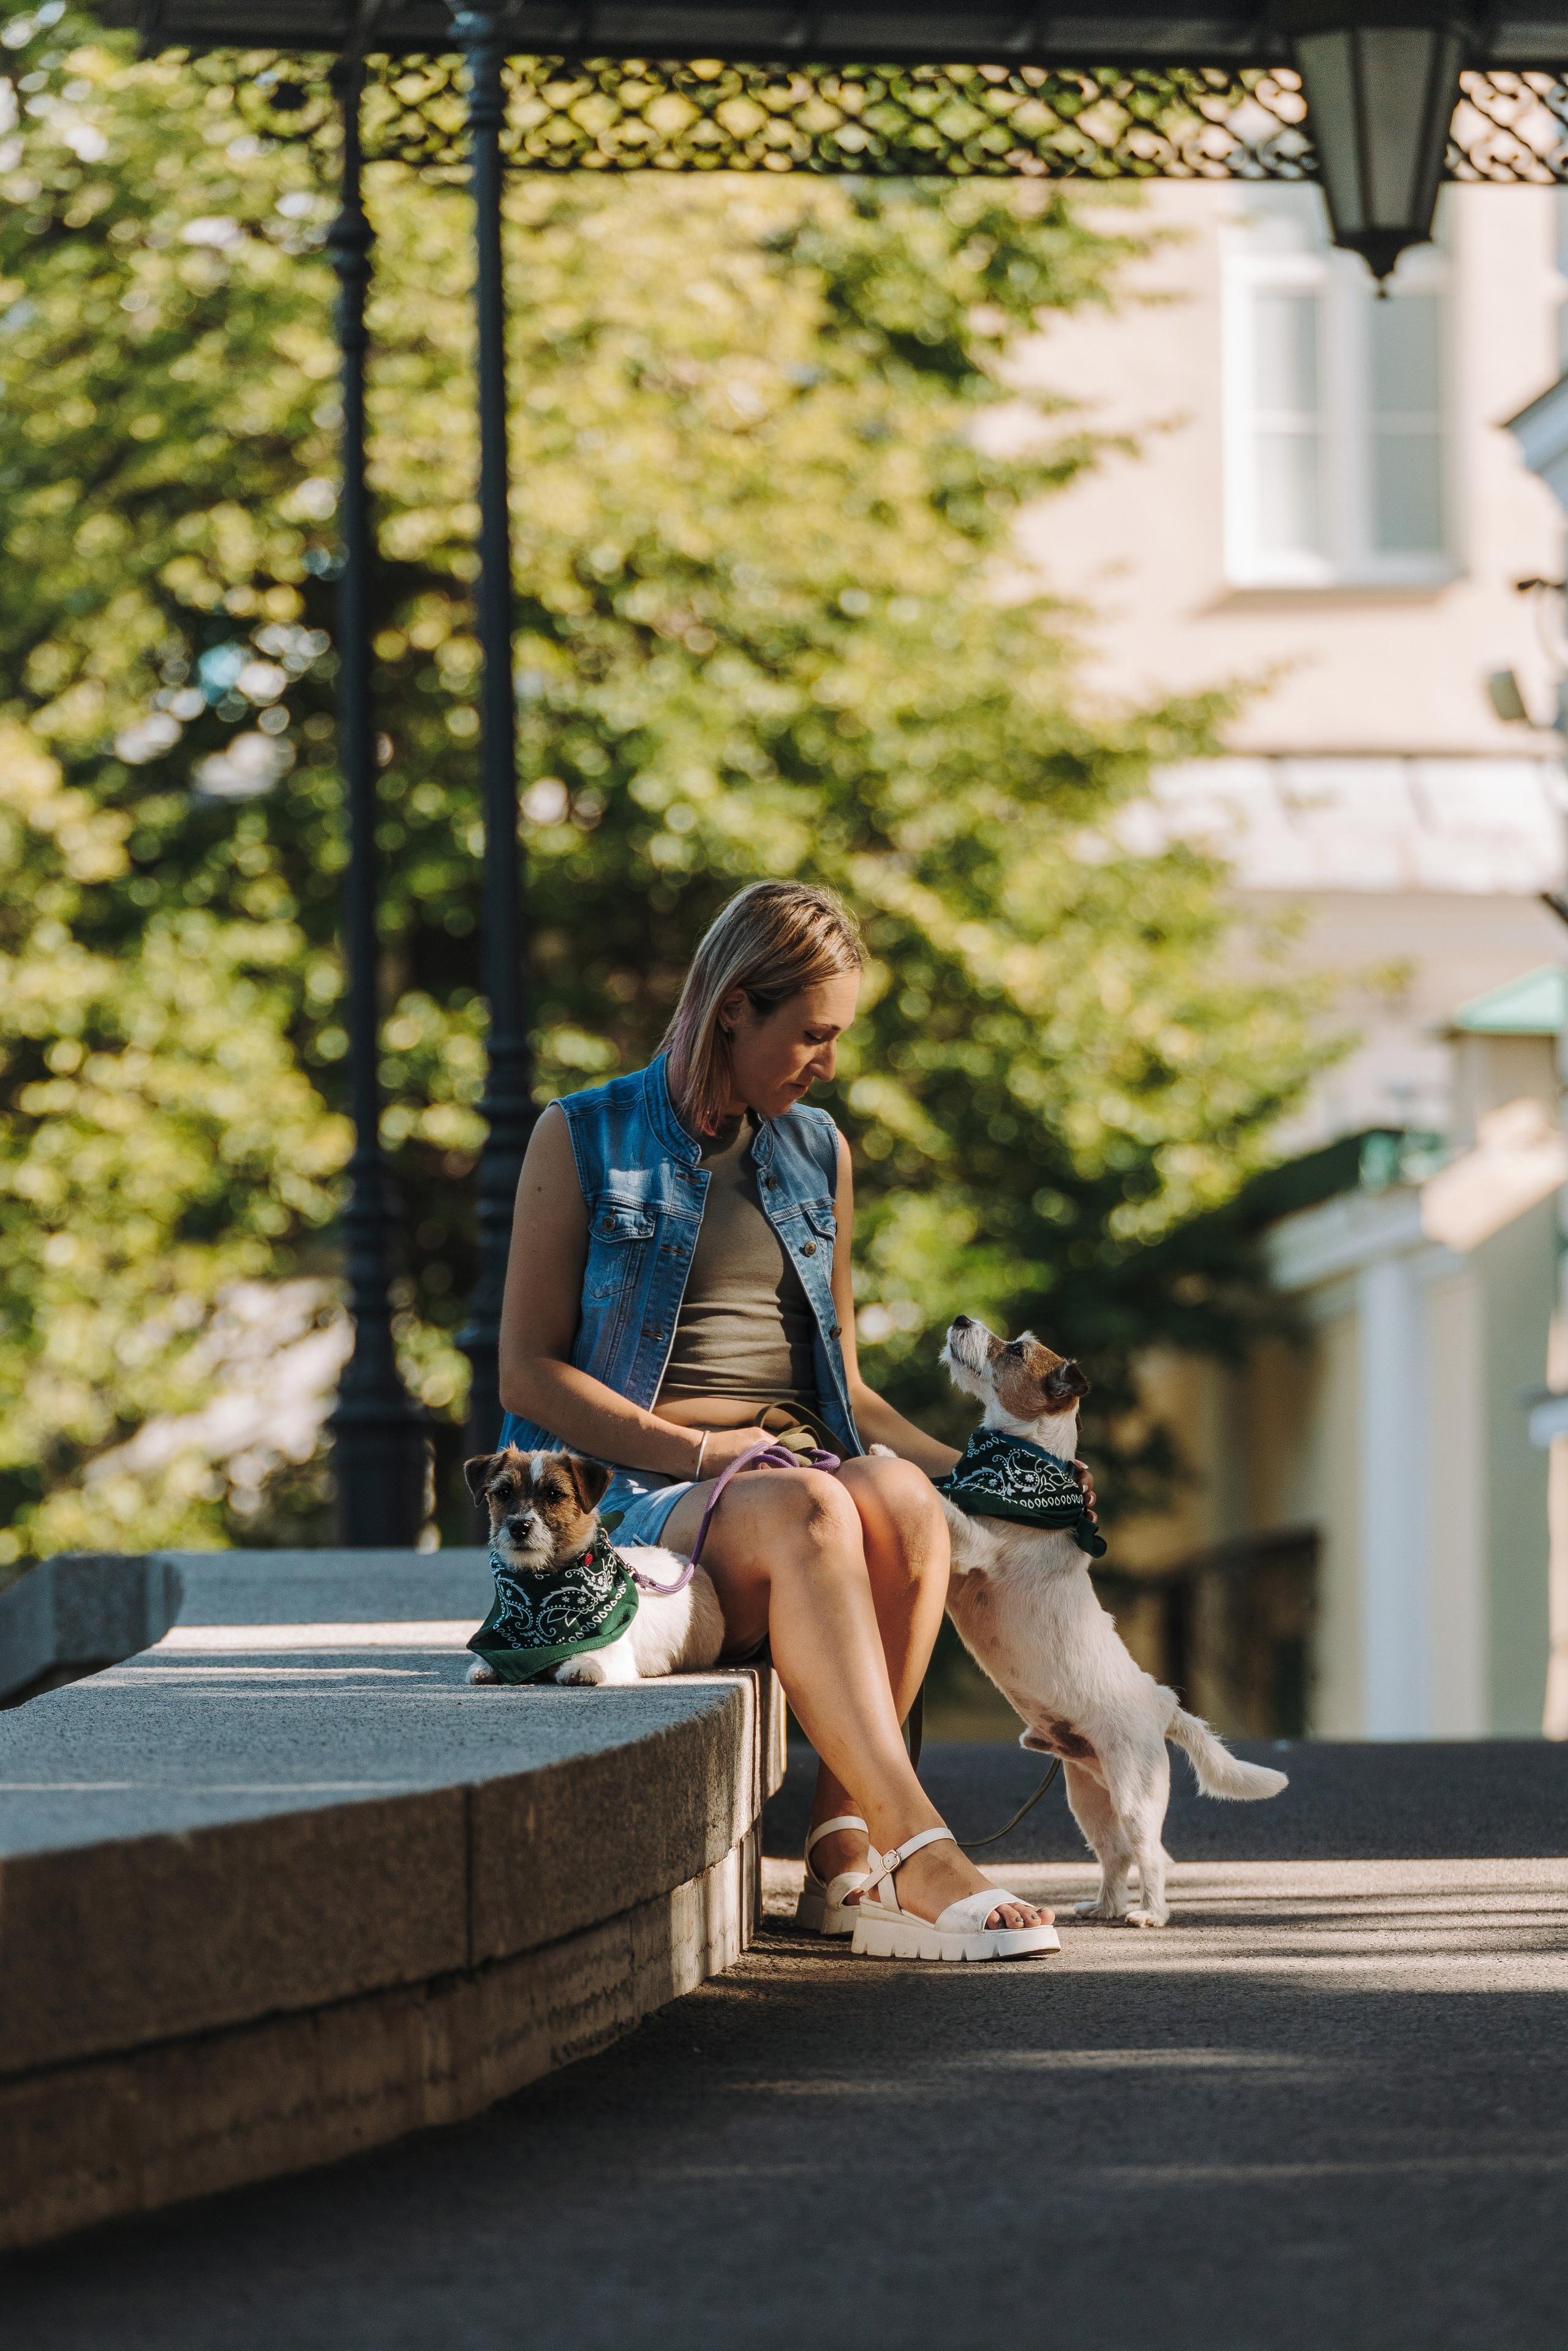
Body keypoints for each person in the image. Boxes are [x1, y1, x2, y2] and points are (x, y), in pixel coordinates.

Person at [497, 880, 1066, 1959]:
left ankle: (842, 1856)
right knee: (816, 1503)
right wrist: (705, 1449)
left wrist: (999, 1470)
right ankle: (918, 1844)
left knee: (899, 1497)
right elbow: (527, 1376)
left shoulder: (818, 1153)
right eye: (811, 1033)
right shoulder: (581, 1138)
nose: (827, 1063)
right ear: (732, 1011)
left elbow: (847, 1389)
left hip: (801, 1480)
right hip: (653, 1495)